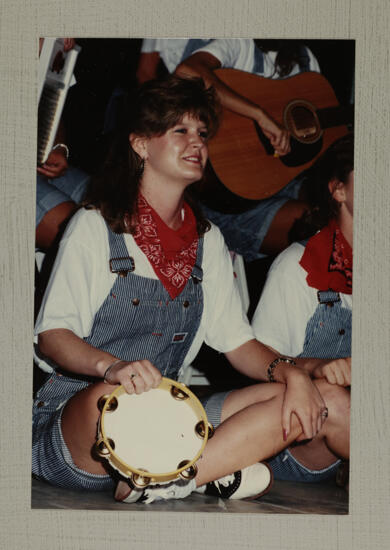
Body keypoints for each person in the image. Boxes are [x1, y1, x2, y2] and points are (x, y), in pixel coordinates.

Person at [32, 75, 349, 505]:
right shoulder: (94, 226)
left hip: (170, 415)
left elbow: (238, 344)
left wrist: (293, 373)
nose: (196, 141)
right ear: (141, 145)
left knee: (309, 394)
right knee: (113, 397)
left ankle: (171, 479)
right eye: (179, 130)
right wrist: (111, 367)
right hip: (79, 419)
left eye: (202, 132)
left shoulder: (209, 241)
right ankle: (210, 469)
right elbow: (53, 336)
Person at [252, 134, 353, 483]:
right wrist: (320, 367)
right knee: (334, 398)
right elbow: (261, 364)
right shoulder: (297, 265)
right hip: (298, 441)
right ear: (339, 191)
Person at [175, 38, 325, 260]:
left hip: (285, 178)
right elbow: (187, 70)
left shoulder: (305, 59)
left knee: (339, 203)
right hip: (229, 200)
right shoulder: (239, 45)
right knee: (317, 227)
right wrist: (258, 114)